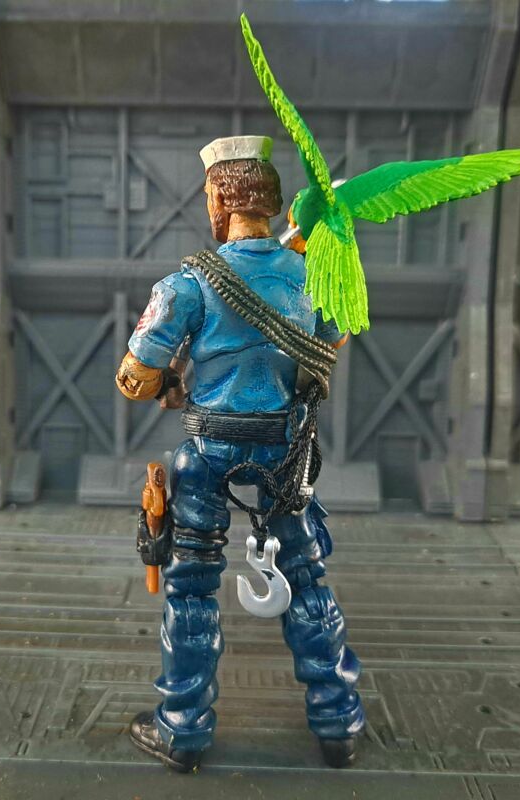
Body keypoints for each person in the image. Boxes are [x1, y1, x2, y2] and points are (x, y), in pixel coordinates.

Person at [115, 135, 365, 773]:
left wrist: (167, 381)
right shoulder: (312, 273)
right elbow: (329, 348)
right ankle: (339, 721)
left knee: (191, 586)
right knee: (306, 575)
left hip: (209, 450)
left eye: (209, 194)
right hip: (287, 449)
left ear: (221, 201)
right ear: (271, 203)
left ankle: (183, 730)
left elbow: (134, 379)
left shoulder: (187, 283)